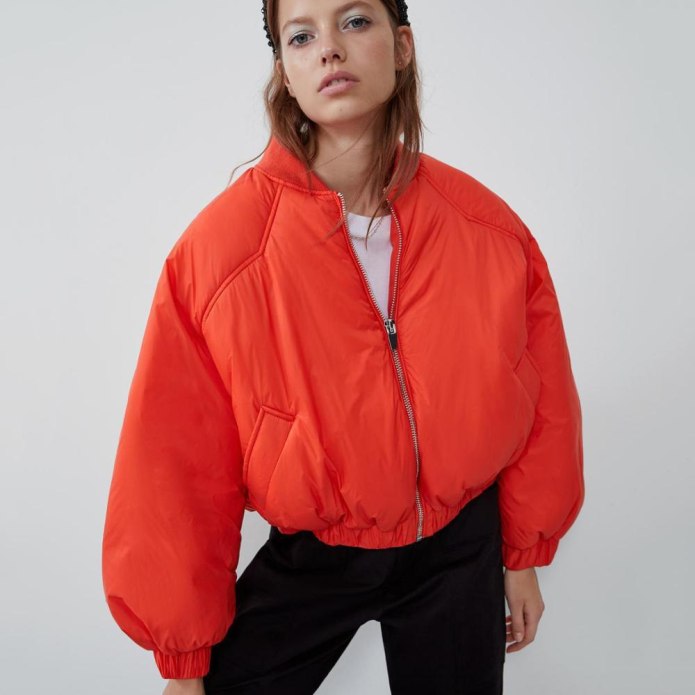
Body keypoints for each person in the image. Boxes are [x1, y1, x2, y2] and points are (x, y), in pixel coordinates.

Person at [101, 1, 585, 693]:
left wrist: (522, 553)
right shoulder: (221, 254)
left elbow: (544, 395)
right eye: (301, 36)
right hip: (316, 556)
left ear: (402, 46)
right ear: (284, 72)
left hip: (458, 547)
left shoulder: (486, 227)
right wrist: (184, 661)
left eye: (355, 21)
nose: (329, 48)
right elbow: (174, 459)